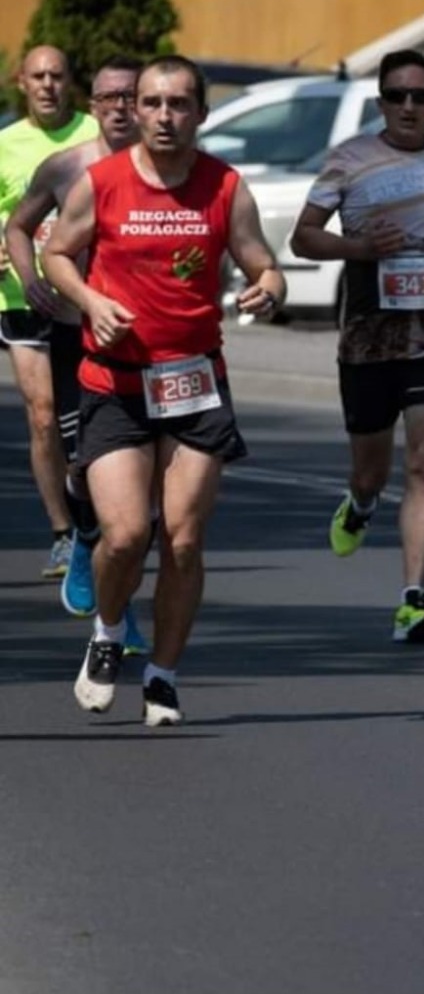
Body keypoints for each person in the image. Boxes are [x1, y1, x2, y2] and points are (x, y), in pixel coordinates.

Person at [42, 54, 286, 727]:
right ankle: (109, 633)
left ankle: (164, 675)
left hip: (194, 382)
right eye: (151, 103)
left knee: (181, 538)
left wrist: (269, 287)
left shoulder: (224, 186)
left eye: (179, 104)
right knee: (123, 534)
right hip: (114, 382)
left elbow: (261, 260)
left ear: (201, 114)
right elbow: (58, 253)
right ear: (135, 110)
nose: (163, 116)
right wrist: (91, 301)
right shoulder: (102, 183)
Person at [290, 49, 424, 644]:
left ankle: (414, 599)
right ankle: (359, 502)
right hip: (368, 342)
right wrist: (359, 249)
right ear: (382, 102)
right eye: (397, 95)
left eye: (420, 96)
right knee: (372, 472)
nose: (409, 106)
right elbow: (303, 238)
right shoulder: (350, 159)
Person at [5, 54, 148, 652]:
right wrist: (32, 275)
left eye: (130, 97)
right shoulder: (66, 166)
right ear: (96, 106)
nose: (120, 107)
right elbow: (19, 224)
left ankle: (118, 606)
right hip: (71, 331)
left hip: (150, 341)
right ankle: (83, 536)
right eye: (109, 97)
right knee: (85, 464)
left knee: (151, 502)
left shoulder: (179, 169)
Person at [0, 45, 98, 578]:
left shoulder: (92, 136)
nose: (47, 86)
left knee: (81, 420)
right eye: (37, 76)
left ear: (70, 82)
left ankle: (94, 518)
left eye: (57, 76)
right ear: (21, 83)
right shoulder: (5, 144)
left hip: (81, 298)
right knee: (41, 416)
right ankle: (63, 531)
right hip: (20, 296)